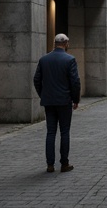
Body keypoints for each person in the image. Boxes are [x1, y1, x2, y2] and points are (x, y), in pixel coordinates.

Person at [33, 33, 80, 172]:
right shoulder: (70, 59)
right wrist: (75, 99)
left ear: (55, 43)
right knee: (65, 132)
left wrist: (43, 94)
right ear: (65, 43)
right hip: (64, 101)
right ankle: (64, 164)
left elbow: (36, 80)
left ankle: (50, 165)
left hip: (49, 101)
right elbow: (75, 82)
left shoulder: (44, 59)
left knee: (50, 132)